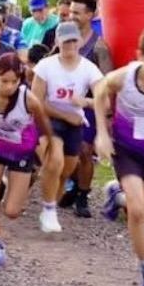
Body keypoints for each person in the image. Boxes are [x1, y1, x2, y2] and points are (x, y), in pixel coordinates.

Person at [0, 53, 52, 268]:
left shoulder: (30, 100)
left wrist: (46, 160)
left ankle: (17, 181)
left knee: (12, 212)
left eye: (14, 82)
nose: (8, 86)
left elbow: (44, 132)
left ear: (20, 79)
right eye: (3, 81)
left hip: (21, 152)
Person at [94, 26, 144, 286]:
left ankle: (117, 195)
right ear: (141, 55)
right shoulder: (124, 77)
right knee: (138, 212)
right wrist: (102, 133)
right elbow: (100, 91)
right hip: (128, 151)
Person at [32, 21, 103, 233]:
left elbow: (103, 98)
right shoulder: (46, 66)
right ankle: (49, 210)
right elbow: (37, 101)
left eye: (73, 40)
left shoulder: (89, 68)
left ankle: (50, 204)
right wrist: (64, 114)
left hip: (75, 123)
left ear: (80, 41)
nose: (70, 45)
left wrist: (86, 102)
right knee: (54, 161)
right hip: (49, 120)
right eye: (65, 41)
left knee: (65, 171)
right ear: (58, 42)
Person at [60, 0, 114, 217]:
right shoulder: (63, 39)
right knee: (65, 150)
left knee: (83, 151)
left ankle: (83, 195)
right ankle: (71, 186)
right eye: (70, 11)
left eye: (77, 13)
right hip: (63, 103)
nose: (71, 16)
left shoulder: (98, 46)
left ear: (90, 15)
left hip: (89, 106)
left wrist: (104, 112)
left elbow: (108, 80)